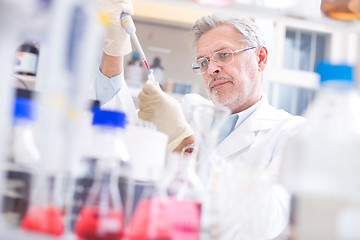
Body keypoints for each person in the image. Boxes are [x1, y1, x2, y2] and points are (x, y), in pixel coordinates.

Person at [94, 0, 305, 238]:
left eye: (223, 55)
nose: (211, 69)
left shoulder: (292, 133)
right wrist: (114, 45)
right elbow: (123, 139)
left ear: (261, 58)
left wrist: (185, 141)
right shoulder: (189, 110)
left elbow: (266, 220)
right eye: (203, 62)